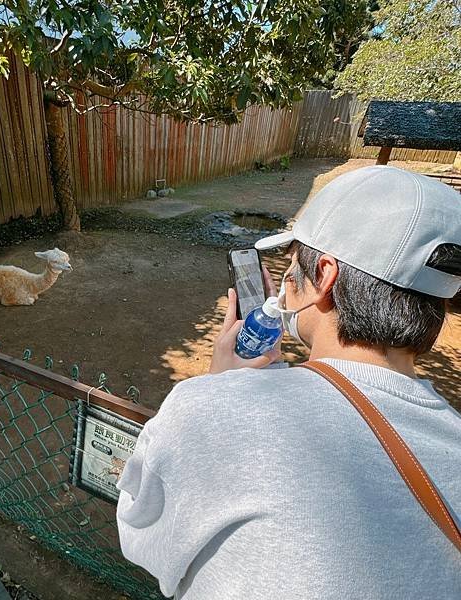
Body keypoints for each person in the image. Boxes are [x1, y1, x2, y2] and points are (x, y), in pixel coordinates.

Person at [116, 166, 461, 599]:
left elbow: (140, 531)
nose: (284, 280)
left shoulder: (213, 410)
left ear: (324, 278)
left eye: (292, 262)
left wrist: (220, 387)